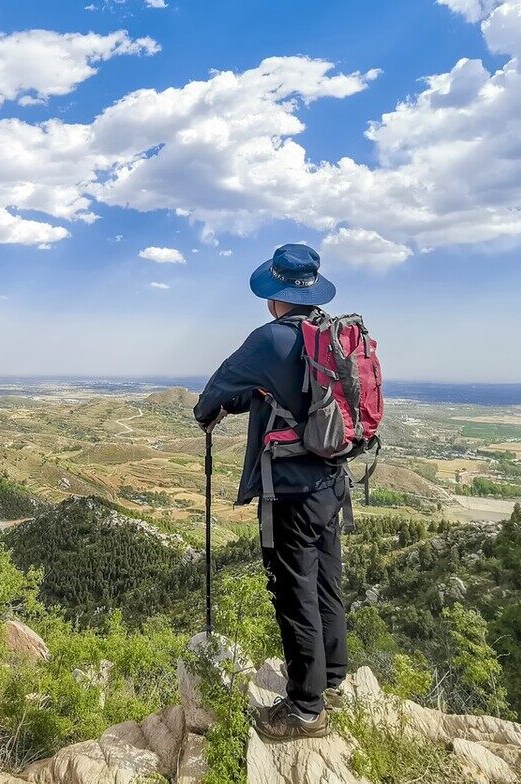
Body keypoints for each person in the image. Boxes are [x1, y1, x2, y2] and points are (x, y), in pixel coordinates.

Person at [193, 243, 348, 740]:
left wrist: (212, 412)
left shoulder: (269, 340)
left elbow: (213, 396)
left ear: (275, 293)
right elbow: (289, 397)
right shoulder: (333, 334)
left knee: (293, 590)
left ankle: (305, 708)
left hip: (289, 488)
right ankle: (332, 679)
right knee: (325, 581)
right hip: (331, 480)